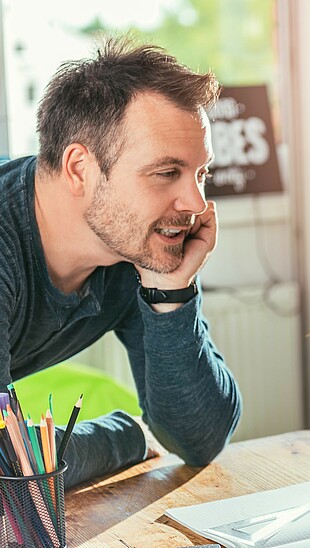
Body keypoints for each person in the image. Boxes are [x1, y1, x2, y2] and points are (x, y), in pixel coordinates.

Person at [0, 36, 242, 487]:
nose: (196, 202)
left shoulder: (131, 248)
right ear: (79, 169)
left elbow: (198, 440)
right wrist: (125, 436)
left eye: (200, 173)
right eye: (167, 173)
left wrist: (168, 292)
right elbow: (7, 475)